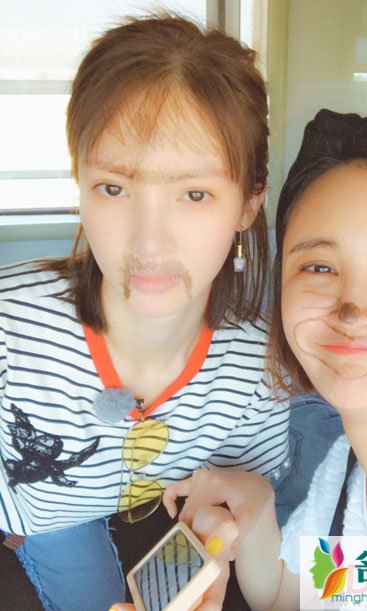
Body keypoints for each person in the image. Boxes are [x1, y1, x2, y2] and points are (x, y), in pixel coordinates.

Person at [0, 13, 290, 611]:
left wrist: (220, 521)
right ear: (80, 181)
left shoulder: (259, 367)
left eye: (194, 194)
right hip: (46, 523)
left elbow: (240, 494)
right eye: (114, 188)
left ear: (248, 203)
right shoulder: (12, 330)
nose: (149, 243)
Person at [164, 109, 367, 610]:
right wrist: (257, 505)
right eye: (318, 266)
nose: (352, 310)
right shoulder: (345, 472)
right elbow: (292, 596)